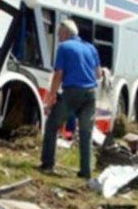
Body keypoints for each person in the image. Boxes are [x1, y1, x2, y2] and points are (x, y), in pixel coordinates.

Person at [40, 19, 101, 179]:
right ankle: (85, 172)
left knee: (52, 124)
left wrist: (51, 95)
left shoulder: (64, 47)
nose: (59, 37)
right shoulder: (91, 48)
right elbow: (98, 74)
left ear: (67, 33)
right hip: (91, 94)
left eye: (60, 34)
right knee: (86, 133)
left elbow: (58, 74)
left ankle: (47, 164)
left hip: (73, 92)